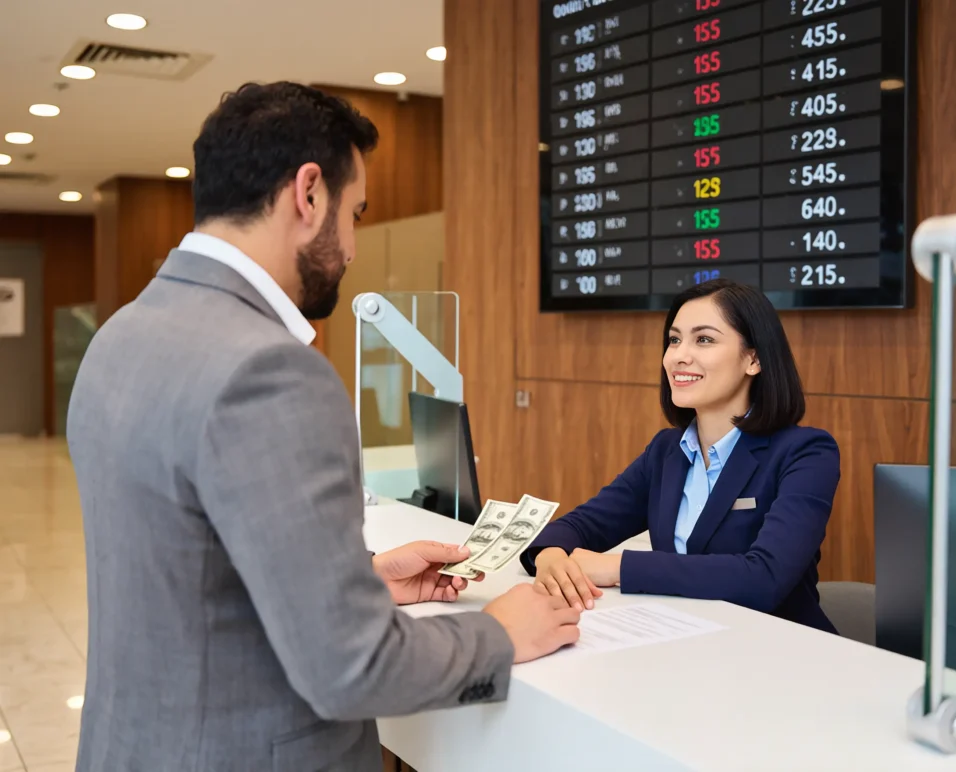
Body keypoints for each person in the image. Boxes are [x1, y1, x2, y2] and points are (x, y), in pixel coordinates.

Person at [67, 82, 580, 772]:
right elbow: (350, 667)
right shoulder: (270, 372)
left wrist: (354, 580)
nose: (354, 248)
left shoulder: (120, 337)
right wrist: (497, 636)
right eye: (356, 213)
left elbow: (187, 567)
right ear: (308, 195)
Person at [520, 279, 841, 634]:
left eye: (703, 339)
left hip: (782, 653)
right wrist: (550, 554)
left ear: (754, 358)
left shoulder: (805, 452)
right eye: (674, 340)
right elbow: (581, 525)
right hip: (684, 641)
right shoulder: (666, 451)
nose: (678, 355)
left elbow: (764, 577)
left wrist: (618, 568)